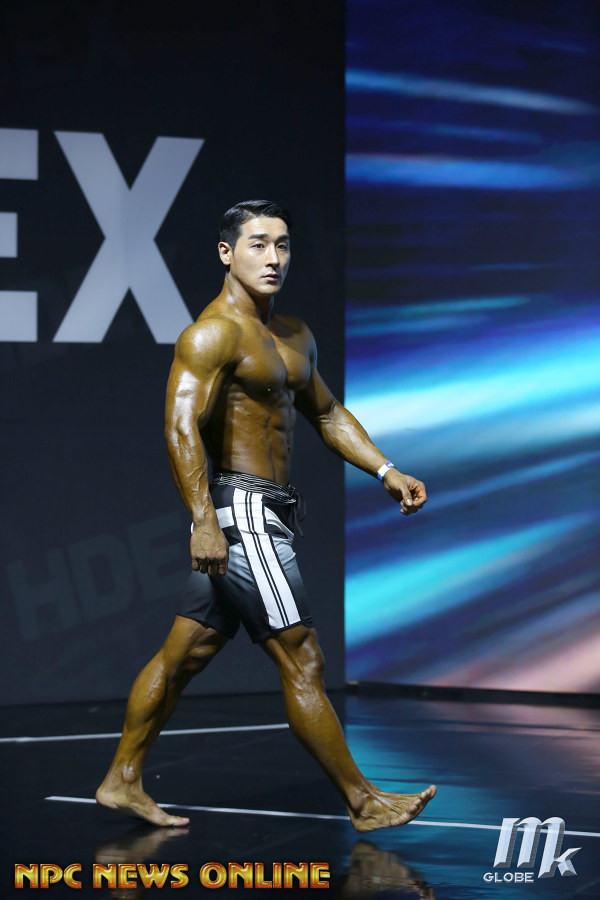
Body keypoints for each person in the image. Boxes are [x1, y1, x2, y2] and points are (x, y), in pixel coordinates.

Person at [96, 199, 436, 831]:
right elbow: (180, 429)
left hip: (268, 511)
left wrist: (386, 470)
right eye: (257, 244)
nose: (273, 257)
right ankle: (363, 802)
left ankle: (122, 779)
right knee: (302, 657)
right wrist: (204, 519)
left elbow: (327, 413)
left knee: (184, 655)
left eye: (282, 244)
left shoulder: (294, 334)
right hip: (240, 512)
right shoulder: (211, 334)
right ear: (227, 253)